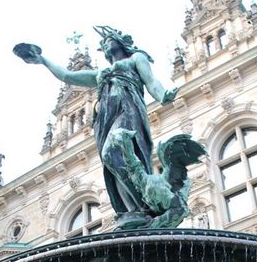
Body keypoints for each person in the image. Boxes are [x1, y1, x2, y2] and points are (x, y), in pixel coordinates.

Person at [14, 27, 178, 226]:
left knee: (114, 151)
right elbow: (67, 76)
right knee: (111, 159)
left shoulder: (136, 59)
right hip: (106, 119)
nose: (106, 43)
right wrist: (43, 60)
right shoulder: (100, 73)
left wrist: (162, 96)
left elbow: (151, 81)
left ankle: (144, 203)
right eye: (103, 42)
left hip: (129, 109)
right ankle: (134, 208)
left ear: (120, 41)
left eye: (109, 39)